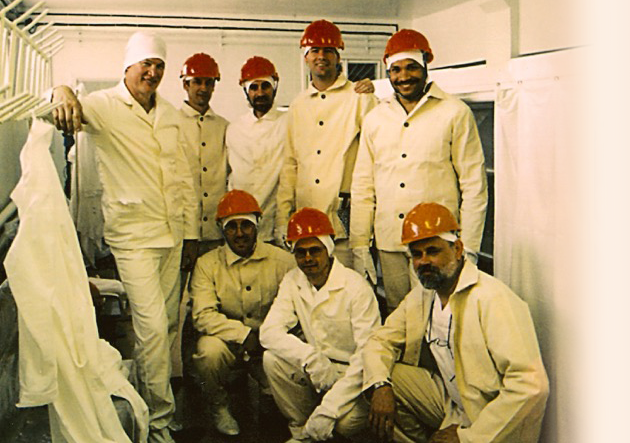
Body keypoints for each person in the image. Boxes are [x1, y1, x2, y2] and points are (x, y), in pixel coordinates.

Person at [50, 31, 199, 443]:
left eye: (159, 66)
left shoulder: (169, 113)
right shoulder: (103, 106)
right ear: (128, 68)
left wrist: (189, 236)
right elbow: (59, 105)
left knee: (166, 325)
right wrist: (61, 89)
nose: (152, 73)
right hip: (133, 236)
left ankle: (146, 400)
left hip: (171, 234)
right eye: (145, 65)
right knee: (151, 327)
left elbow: (182, 178)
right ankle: (159, 424)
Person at [362, 202, 549, 443]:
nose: (424, 261)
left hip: (492, 420)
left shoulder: (492, 298)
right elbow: (380, 340)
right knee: (385, 378)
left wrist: (469, 437)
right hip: (454, 406)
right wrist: (380, 386)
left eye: (433, 251)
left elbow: (532, 384)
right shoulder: (424, 294)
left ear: (458, 249)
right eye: (417, 255)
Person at [351, 29, 488, 313]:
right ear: (388, 72)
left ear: (426, 64)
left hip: (438, 243)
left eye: (412, 67)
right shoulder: (375, 118)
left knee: (445, 316)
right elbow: (363, 186)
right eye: (396, 69)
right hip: (391, 243)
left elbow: (474, 186)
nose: (404, 76)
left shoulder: (455, 112)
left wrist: (470, 247)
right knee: (401, 318)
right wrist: (360, 245)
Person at [260, 207, 381, 442]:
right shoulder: (292, 280)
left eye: (315, 250)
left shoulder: (355, 287)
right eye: (300, 252)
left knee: (343, 425)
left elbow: (368, 356)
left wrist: (328, 411)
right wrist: (311, 359)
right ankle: (301, 429)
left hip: (354, 375)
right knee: (272, 360)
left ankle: (316, 425)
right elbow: (268, 332)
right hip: (318, 368)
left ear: (329, 248)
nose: (308, 259)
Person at [189, 189, 295, 436]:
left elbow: (294, 308)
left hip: (270, 345)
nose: (239, 233)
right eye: (232, 226)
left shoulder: (283, 261)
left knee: (279, 415)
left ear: (257, 225)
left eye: (246, 225)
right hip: (230, 342)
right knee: (208, 352)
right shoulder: (207, 264)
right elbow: (202, 315)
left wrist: (269, 338)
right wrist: (243, 334)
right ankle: (219, 406)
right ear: (221, 229)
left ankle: (271, 396)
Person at [275, 19, 378, 267]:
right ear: (306, 57)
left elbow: (378, 155)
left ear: (338, 56)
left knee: (350, 292)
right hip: (306, 223)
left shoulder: (359, 97)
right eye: (315, 51)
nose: (321, 56)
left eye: (328, 50)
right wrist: (282, 218)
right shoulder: (298, 105)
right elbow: (290, 165)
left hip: (344, 222)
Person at [226, 56, 285, 243]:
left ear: (274, 87)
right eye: (253, 87)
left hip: (278, 225)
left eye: (265, 86)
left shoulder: (289, 123)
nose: (260, 93)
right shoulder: (234, 129)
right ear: (245, 90)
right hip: (240, 227)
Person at [179, 52, 229, 255]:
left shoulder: (224, 127)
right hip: (181, 232)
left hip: (216, 233)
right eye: (197, 82)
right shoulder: (171, 124)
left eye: (208, 83)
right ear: (185, 85)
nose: (203, 88)